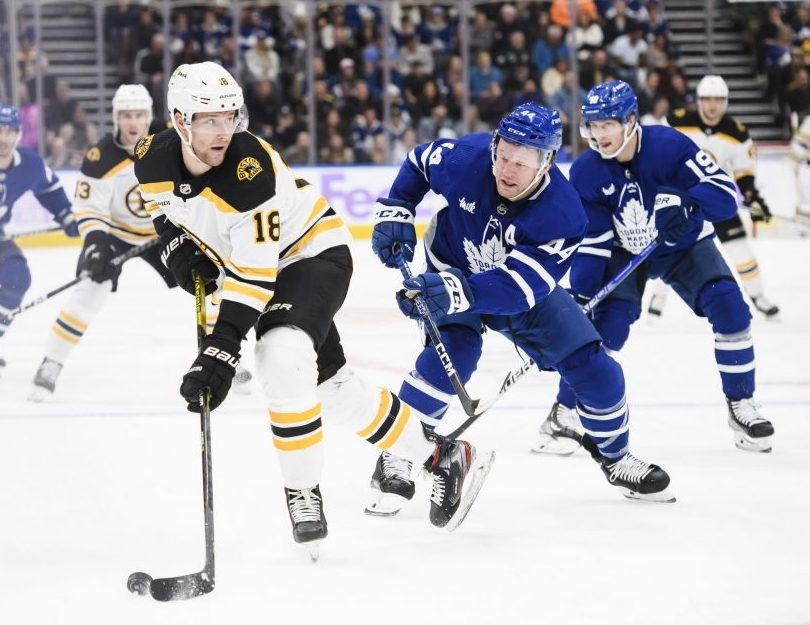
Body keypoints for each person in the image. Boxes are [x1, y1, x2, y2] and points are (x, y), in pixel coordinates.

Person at [132, 62, 495, 549]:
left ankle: (301, 488)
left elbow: (255, 276)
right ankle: (442, 454)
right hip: (258, 266)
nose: (223, 131)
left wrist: (220, 350)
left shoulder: (250, 172)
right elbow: (164, 214)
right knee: (334, 387)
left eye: (229, 117)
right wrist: (179, 250)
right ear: (180, 122)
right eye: (209, 120)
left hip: (309, 253)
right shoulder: (150, 160)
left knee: (280, 356)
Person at [366, 100, 675, 518]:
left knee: (597, 368)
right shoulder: (468, 159)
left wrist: (457, 293)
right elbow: (420, 160)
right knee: (455, 352)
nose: (507, 170)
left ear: (546, 162)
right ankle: (398, 451)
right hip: (450, 264)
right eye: (504, 155)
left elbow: (518, 289)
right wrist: (398, 207)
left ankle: (617, 459)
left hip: (516, 290)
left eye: (522, 162)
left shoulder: (563, 213)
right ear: (494, 146)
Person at [535, 80, 774, 456]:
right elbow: (594, 244)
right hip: (623, 252)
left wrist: (687, 201)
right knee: (606, 330)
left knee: (729, 306)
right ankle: (563, 413)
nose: (599, 135)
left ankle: (741, 405)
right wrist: (581, 297)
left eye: (607, 125)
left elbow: (726, 194)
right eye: (593, 126)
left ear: (630, 120)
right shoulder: (586, 172)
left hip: (682, 245)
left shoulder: (669, 145)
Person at [28, 84, 254, 400]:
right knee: (90, 290)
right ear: (116, 118)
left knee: (207, 282)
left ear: (149, 116)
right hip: (116, 235)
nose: (133, 122)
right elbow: (89, 208)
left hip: (165, 231)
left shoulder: (171, 143)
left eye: (139, 115)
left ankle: (222, 355)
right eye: (126, 115)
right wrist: (96, 244)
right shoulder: (100, 157)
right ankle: (52, 361)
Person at [646, 74, 780, 319]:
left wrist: (752, 197)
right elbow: (657, 151)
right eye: (707, 99)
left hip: (716, 200)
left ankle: (758, 296)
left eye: (718, 100)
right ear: (698, 101)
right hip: (682, 201)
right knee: (673, 248)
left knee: (740, 249)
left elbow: (744, 172)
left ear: (726, 102)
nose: (712, 105)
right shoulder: (677, 121)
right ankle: (658, 297)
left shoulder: (737, 133)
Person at [0, 103, 79, 375]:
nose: (3, 138)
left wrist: (66, 216)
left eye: (10, 131)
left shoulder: (29, 163)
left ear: (18, 134)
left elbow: (49, 189)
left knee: (17, 277)